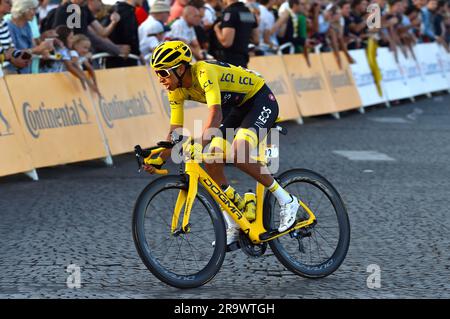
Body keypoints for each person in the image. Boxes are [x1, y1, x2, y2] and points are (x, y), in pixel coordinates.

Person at [146, 40, 300, 245]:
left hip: (259, 100)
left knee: (238, 153)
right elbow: (175, 130)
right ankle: (235, 222)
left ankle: (287, 200)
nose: (160, 79)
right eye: (157, 73)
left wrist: (199, 142)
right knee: (211, 161)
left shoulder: (203, 72)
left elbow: (215, 114)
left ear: (181, 68)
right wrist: (160, 157)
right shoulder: (175, 90)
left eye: (163, 73)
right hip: (236, 108)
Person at [213, 0, 259, 67]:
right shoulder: (248, 13)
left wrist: (216, 29)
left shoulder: (230, 12)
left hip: (229, 62)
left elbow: (226, 42)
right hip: (243, 60)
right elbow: (256, 40)